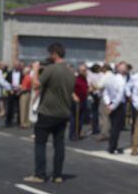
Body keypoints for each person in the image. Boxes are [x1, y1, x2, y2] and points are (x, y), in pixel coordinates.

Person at [24, 43, 74, 183]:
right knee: (59, 144)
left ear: (54, 54)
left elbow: (36, 85)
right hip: (63, 113)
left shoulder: (51, 69)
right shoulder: (70, 72)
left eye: (50, 54)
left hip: (47, 112)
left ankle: (39, 174)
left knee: (40, 143)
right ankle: (57, 175)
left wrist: (34, 70)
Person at [102, 62, 128, 154]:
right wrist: (112, 106)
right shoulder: (121, 80)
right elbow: (120, 96)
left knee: (113, 127)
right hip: (118, 105)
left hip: (112, 103)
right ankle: (112, 147)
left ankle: (112, 146)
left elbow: (105, 93)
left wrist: (108, 103)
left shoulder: (111, 78)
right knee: (116, 128)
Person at [69, 64, 89, 141]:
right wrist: (74, 96)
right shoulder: (75, 79)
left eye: (85, 70)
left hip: (83, 100)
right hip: (76, 101)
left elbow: (85, 88)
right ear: (79, 71)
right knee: (74, 118)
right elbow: (70, 89)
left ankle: (78, 133)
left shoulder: (85, 79)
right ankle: (72, 134)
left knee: (81, 119)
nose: (85, 72)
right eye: (83, 70)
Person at [88, 64, 104, 135]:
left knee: (94, 111)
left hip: (94, 93)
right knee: (96, 112)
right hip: (98, 94)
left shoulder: (90, 75)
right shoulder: (101, 75)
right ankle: (95, 127)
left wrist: (94, 87)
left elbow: (89, 84)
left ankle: (94, 128)